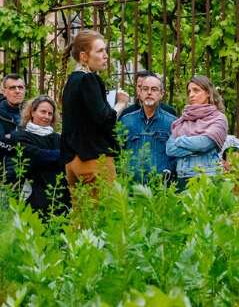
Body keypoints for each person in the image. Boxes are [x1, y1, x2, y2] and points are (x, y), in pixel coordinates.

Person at [61, 29, 130, 192]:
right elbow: (104, 119)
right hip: (93, 159)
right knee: (105, 214)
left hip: (72, 161)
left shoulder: (71, 81)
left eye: (105, 50)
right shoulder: (89, 79)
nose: (105, 55)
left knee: (81, 216)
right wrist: (121, 103)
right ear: (84, 56)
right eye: (100, 50)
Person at [166, 75, 228, 189]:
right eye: (189, 91)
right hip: (182, 179)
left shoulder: (218, 118)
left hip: (207, 178)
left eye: (196, 90)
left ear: (208, 93)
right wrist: (195, 147)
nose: (191, 95)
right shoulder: (183, 119)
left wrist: (179, 140)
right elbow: (170, 149)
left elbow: (204, 143)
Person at [13, 95, 70, 217]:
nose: (46, 116)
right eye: (43, 112)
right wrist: (60, 155)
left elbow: (66, 159)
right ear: (32, 112)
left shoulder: (58, 138)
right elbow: (37, 156)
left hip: (59, 195)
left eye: (50, 113)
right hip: (35, 194)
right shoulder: (21, 136)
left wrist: (55, 156)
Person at [119, 74, 176, 183]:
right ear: (139, 93)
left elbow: (176, 155)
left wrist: (168, 171)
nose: (149, 92)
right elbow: (116, 151)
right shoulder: (126, 120)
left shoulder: (172, 123)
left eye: (154, 89)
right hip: (131, 186)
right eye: (145, 89)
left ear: (161, 94)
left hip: (160, 187)